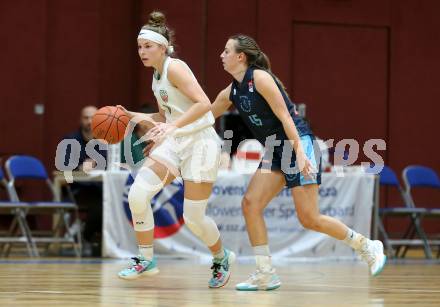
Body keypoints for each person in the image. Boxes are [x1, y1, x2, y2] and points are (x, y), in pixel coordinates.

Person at [211, 34, 386, 291]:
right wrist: (168, 125)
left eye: (226, 51)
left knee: (310, 218)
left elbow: (286, 117)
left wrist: (301, 155)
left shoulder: (260, 78)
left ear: (241, 57)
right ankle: (265, 272)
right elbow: (204, 114)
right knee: (250, 204)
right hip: (276, 149)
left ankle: (366, 246)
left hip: (298, 144)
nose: (221, 55)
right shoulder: (231, 91)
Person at [116, 11, 235, 288]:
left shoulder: (175, 67)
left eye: (147, 46)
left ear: (162, 47)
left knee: (193, 217)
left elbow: (204, 103)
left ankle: (221, 257)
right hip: (176, 140)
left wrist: (172, 128)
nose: (142, 52)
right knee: (137, 194)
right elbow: (163, 118)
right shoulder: (156, 78)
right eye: (139, 47)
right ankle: (146, 258)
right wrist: (128, 114)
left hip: (201, 142)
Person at [62, 105, 107, 256]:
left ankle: (93, 238)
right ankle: (85, 237)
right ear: (80, 120)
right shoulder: (69, 140)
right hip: (78, 189)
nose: (89, 121)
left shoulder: (105, 142)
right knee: (101, 206)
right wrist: (80, 167)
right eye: (86, 117)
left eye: (93, 118)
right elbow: (65, 168)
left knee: (117, 202)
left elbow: (110, 165)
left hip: (101, 188)